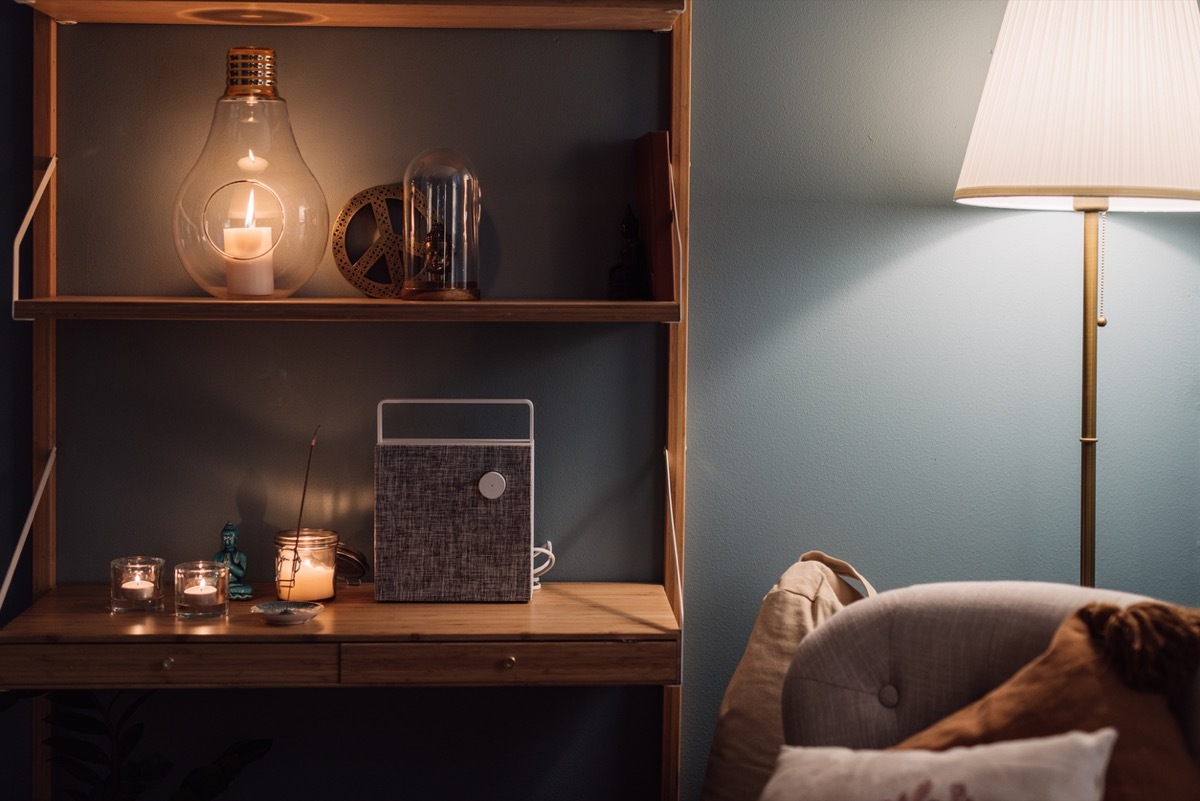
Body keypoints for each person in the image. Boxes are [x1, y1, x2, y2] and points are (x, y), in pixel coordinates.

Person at [215, 522, 253, 600]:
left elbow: (242, 574)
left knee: (248, 589)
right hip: (222, 584)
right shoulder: (218, 555)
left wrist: (231, 565)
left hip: (235, 584)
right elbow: (213, 572)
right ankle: (225, 591)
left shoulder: (241, 555)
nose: (227, 541)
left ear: (236, 539)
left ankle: (225, 592)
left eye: (230, 538)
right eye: (225, 538)